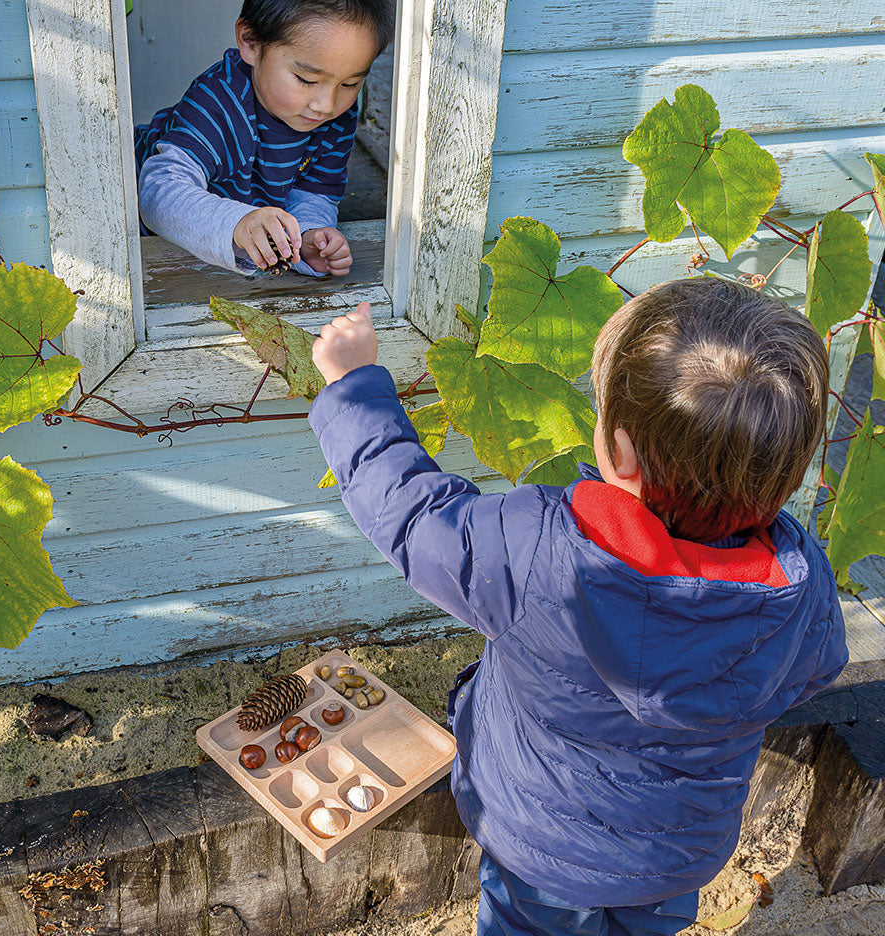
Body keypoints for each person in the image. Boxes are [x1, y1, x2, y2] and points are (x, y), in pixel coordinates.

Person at [307, 278, 848, 936]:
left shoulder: (536, 548)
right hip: (674, 857)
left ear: (618, 452)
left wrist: (353, 386)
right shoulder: (801, 585)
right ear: (784, 474)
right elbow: (817, 668)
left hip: (540, 849)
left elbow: (416, 518)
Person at [135, 0, 395, 278]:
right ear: (251, 43)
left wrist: (307, 237)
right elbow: (157, 192)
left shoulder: (337, 114)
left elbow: (313, 191)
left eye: (350, 83)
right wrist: (236, 222)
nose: (326, 104)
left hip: (226, 252)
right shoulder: (219, 102)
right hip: (145, 236)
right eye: (306, 79)